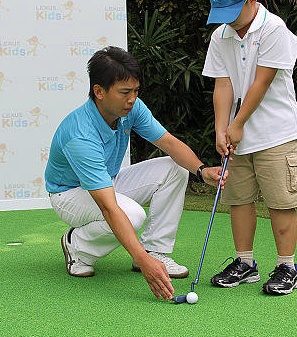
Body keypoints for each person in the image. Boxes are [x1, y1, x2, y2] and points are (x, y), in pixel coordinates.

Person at [45, 46, 228, 300]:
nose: (132, 99)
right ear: (99, 91)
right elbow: (109, 208)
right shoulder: (80, 134)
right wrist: (140, 260)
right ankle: (77, 246)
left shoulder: (131, 109)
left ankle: (156, 250)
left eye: (135, 91)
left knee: (175, 168)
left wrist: (201, 170)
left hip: (105, 181)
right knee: (131, 215)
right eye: (124, 92)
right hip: (69, 195)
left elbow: (169, 143)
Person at [202, 0, 297, 295]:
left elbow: (262, 81)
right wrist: (222, 127)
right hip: (238, 135)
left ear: (252, 0)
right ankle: (244, 263)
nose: (229, 20)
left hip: (276, 132)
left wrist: (238, 123)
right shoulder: (221, 36)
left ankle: (287, 267)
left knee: (280, 200)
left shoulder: (274, 29)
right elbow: (223, 83)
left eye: (234, 12)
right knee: (239, 199)